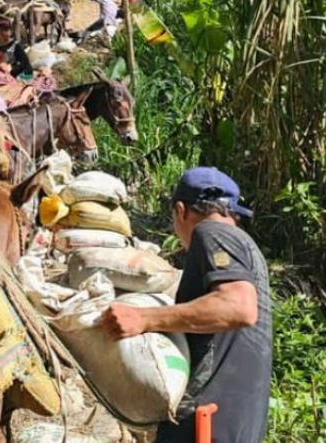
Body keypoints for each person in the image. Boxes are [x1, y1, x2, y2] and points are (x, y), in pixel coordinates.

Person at [102, 167, 271, 443]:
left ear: (181, 210)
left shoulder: (212, 232)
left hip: (206, 425)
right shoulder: (249, 250)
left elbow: (239, 306)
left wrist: (144, 319)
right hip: (236, 423)